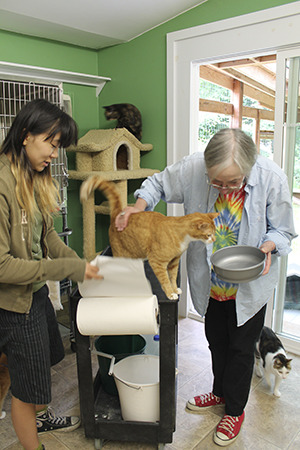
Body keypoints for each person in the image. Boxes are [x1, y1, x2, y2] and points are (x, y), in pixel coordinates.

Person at [115, 128, 296, 446]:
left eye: (233, 183)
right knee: (216, 340)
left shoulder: (272, 177)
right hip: (208, 279)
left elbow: (283, 230)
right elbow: (157, 183)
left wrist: (269, 245)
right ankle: (219, 393)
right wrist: (139, 206)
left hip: (250, 283)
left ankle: (235, 411)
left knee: (241, 348)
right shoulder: (192, 168)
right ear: (206, 168)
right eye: (216, 182)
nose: (224, 189)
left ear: (249, 169)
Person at [0, 99, 102, 450]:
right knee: (26, 391)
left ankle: (38, 418)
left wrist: (79, 263)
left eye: (58, 146)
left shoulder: (32, 177)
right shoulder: (1, 184)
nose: (54, 155)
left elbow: (48, 237)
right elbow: (2, 267)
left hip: (37, 293)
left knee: (44, 364)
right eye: (52, 143)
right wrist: (68, 269)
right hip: (14, 304)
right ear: (26, 136)